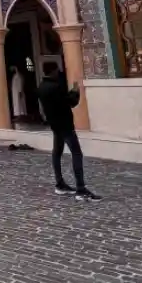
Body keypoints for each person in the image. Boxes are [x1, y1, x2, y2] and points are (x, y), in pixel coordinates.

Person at [38, 67, 101, 201]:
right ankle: (81, 189)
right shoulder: (56, 87)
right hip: (65, 125)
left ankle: (60, 183)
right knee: (76, 153)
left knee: (57, 153)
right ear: (54, 71)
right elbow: (69, 103)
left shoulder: (41, 87)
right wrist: (75, 92)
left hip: (54, 124)